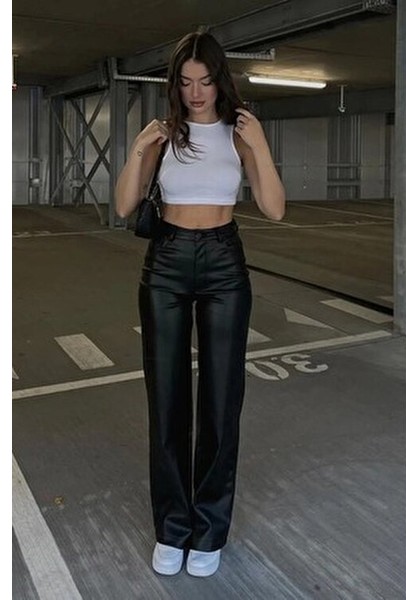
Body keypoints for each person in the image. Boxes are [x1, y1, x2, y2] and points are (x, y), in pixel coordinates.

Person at [115, 30, 285, 577]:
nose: (195, 93)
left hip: (223, 262)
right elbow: (124, 205)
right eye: (186, 82)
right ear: (175, 84)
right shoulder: (164, 135)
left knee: (220, 400)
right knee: (166, 399)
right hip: (166, 262)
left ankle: (209, 530)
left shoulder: (239, 133)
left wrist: (260, 145)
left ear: (219, 81)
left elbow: (275, 208)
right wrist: (139, 146)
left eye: (205, 81)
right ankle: (172, 528)